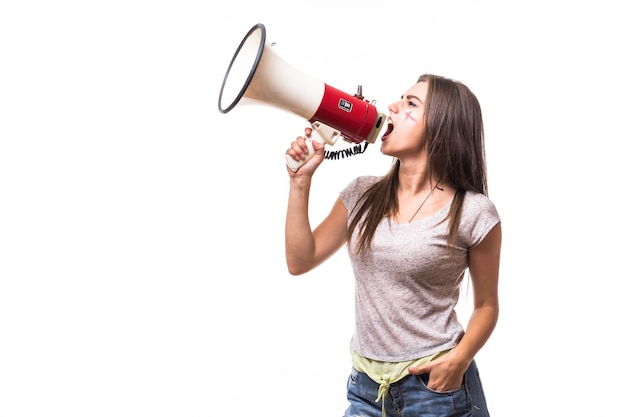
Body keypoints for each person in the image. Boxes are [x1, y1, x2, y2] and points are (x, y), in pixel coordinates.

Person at [284, 74, 502, 417]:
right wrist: (300, 182)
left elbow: (487, 306)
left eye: (411, 104)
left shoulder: (473, 212)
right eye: (400, 99)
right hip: (366, 390)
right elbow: (300, 260)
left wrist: (458, 361)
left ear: (442, 127)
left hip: (437, 388)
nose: (392, 107)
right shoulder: (361, 195)